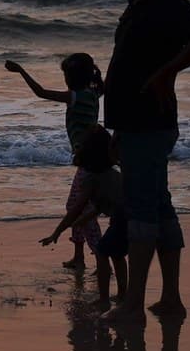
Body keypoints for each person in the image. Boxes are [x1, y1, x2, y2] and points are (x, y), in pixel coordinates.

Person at [102, 0, 190, 324]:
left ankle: (133, 304)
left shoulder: (168, 2)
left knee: (141, 214)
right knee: (160, 209)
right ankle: (170, 299)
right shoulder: (141, 3)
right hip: (137, 125)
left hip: (151, 125)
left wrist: (169, 72)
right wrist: (118, 129)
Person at [5, 53, 105, 269]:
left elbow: (40, 92)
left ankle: (100, 256)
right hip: (90, 160)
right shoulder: (94, 92)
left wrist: (21, 71)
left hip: (88, 163)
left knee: (81, 210)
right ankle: (80, 257)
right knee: (74, 206)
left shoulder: (76, 96)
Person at [39, 124, 128, 308]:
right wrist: (82, 221)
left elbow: (76, 208)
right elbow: (98, 207)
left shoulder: (92, 179)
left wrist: (56, 233)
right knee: (117, 256)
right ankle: (122, 296)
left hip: (122, 220)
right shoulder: (110, 174)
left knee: (103, 252)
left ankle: (104, 300)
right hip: (133, 217)